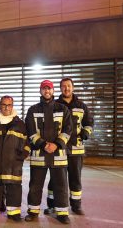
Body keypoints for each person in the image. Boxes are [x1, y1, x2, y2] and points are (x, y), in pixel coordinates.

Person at [25, 80, 73, 224]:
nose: (47, 91)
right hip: (40, 154)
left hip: (58, 155)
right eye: (44, 89)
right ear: (40, 91)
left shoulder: (63, 109)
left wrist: (56, 145)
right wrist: (43, 144)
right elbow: (30, 131)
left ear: (53, 91)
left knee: (61, 185)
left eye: (49, 89)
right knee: (35, 185)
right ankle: (33, 211)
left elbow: (68, 130)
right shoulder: (32, 110)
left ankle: (62, 213)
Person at [45, 78, 93, 215]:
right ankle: (52, 205)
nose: (66, 88)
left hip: (76, 149)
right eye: (63, 86)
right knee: (55, 179)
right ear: (60, 88)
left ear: (73, 87)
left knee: (75, 178)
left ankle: (76, 206)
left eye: (69, 86)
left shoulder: (81, 105)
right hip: (59, 149)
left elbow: (89, 123)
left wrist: (85, 132)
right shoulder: (55, 105)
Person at [0, 96, 30, 224]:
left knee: (14, 188)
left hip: (14, 163)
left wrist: (23, 155)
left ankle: (14, 213)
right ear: (0, 106)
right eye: (3, 105)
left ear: (12, 106)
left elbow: (27, 142)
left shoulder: (20, 124)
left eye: (9, 105)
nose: (6, 107)